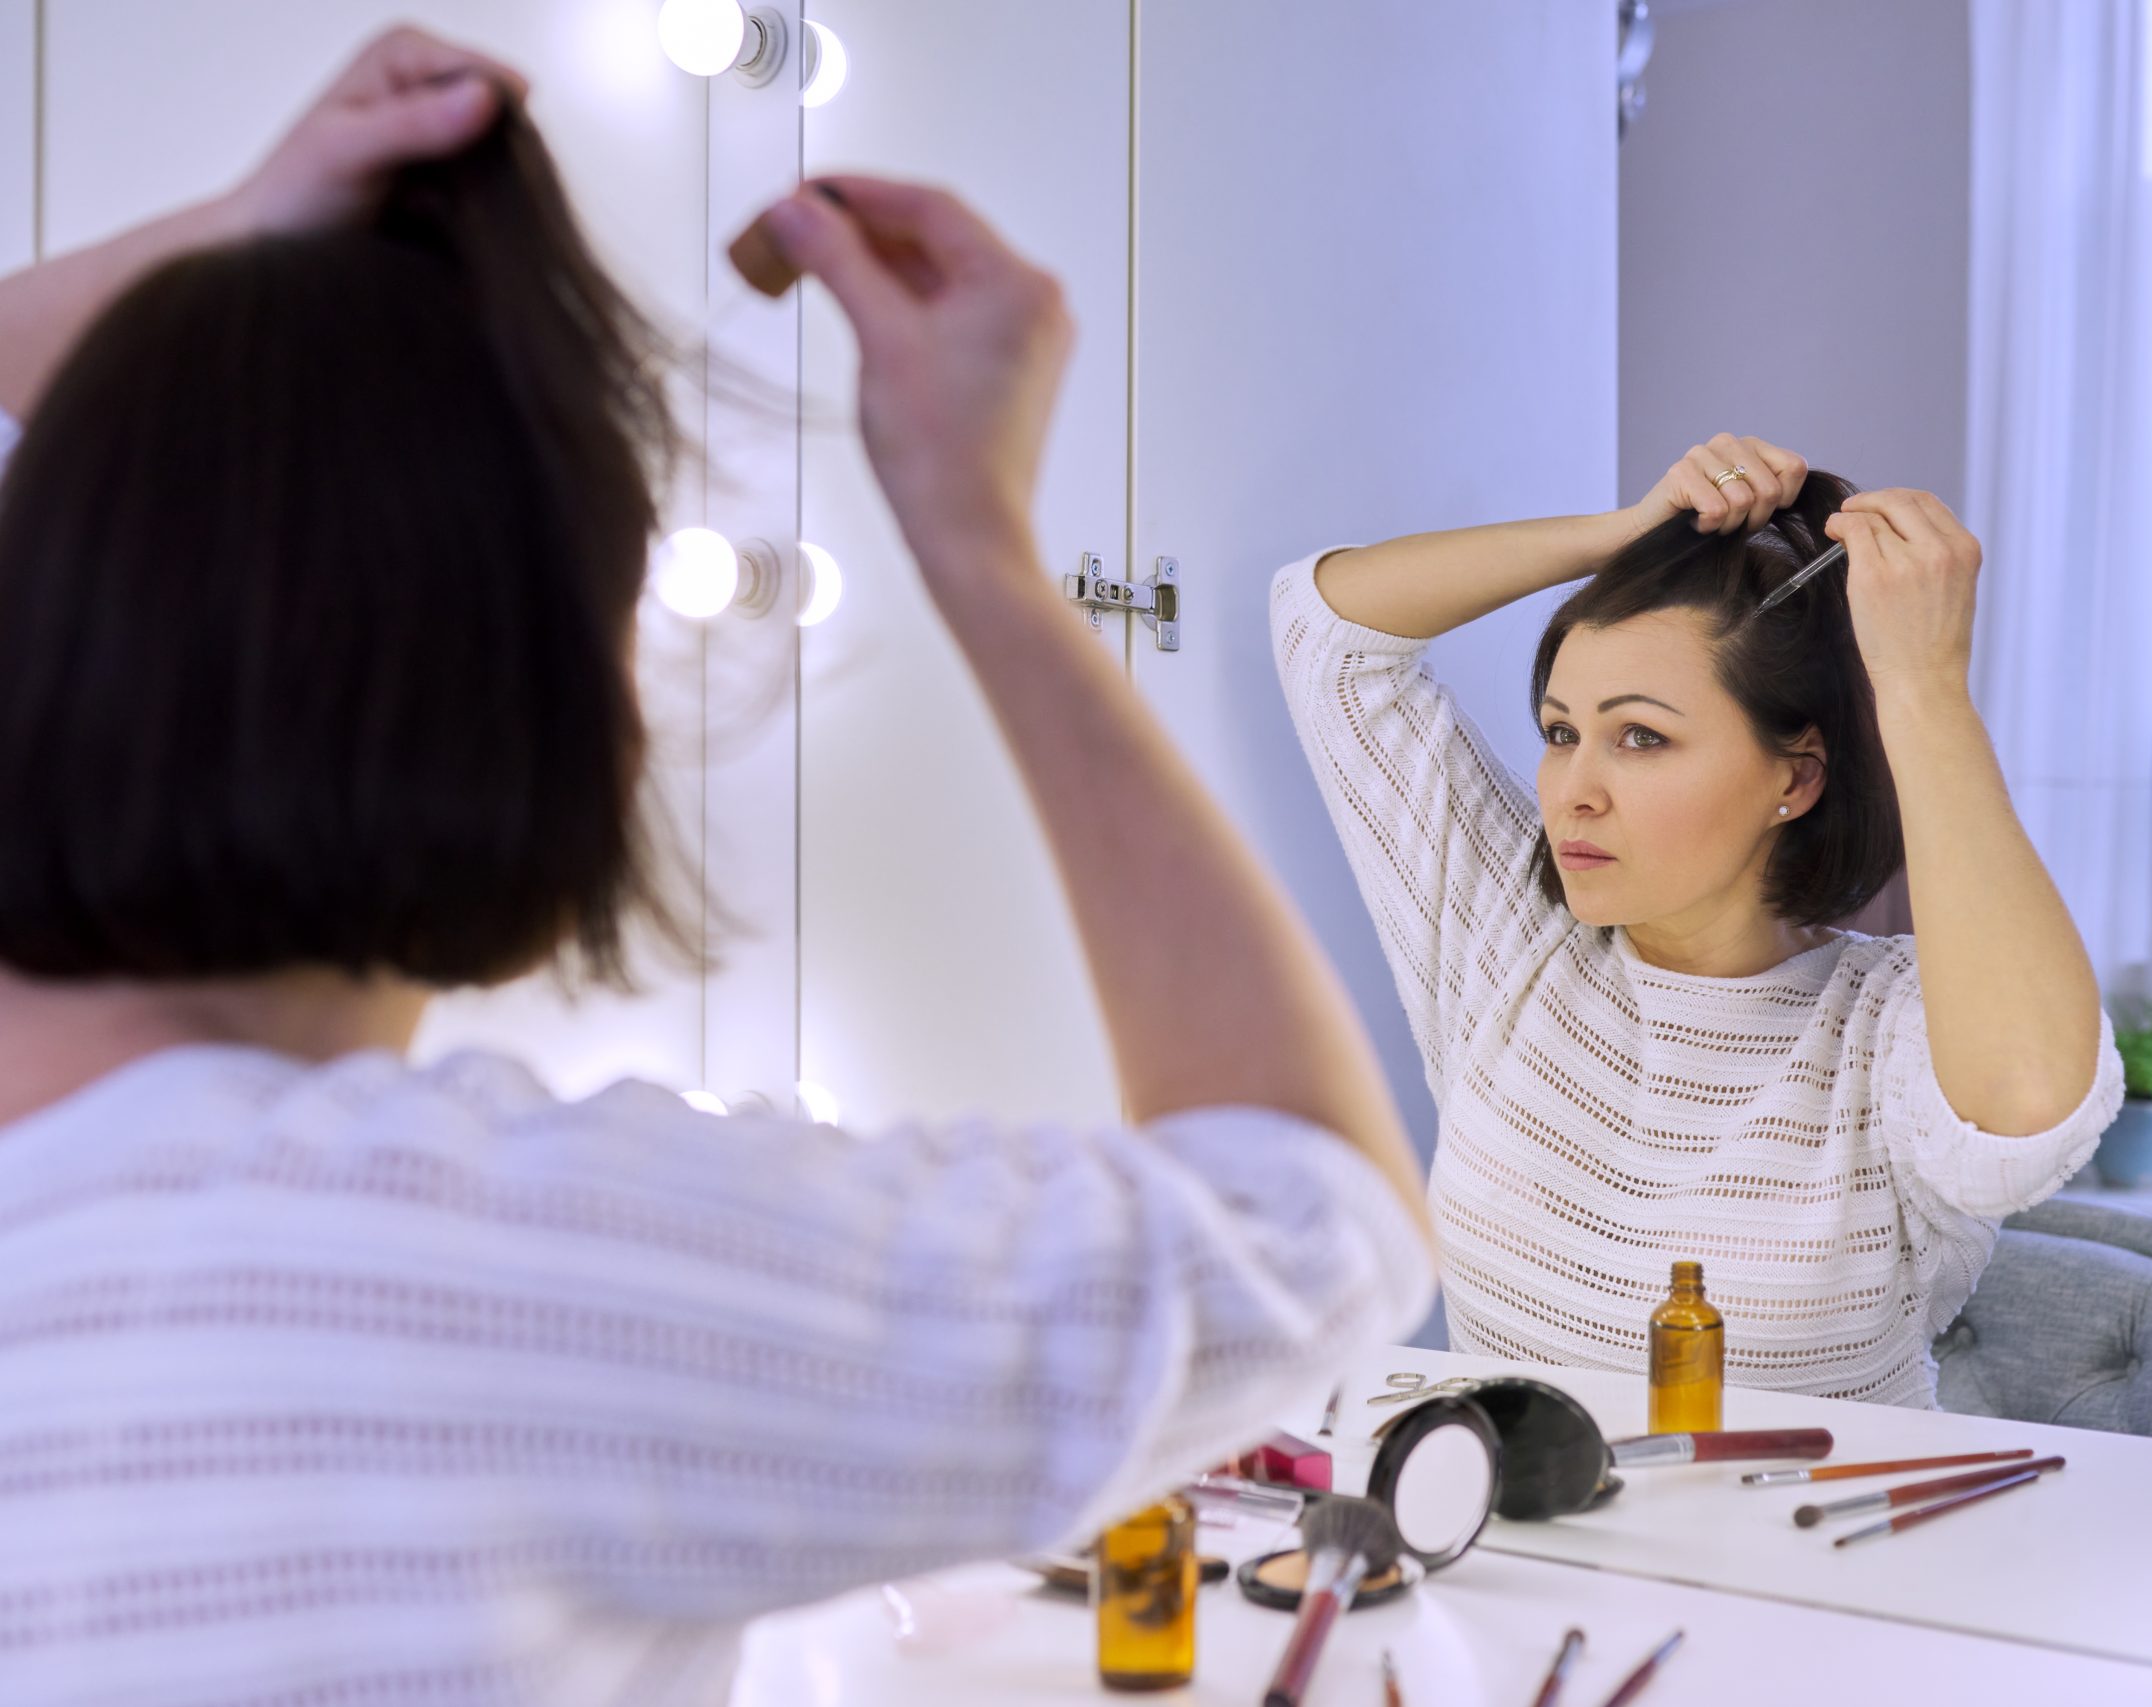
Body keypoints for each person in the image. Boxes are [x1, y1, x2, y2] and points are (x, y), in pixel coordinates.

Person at [0, 28, 1429, 1701]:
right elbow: (1308, 1218)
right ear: (569, 723)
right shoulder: (524, 1277)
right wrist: (981, 544)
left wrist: (223, 277)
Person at [1270, 436, 2122, 1407]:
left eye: (1641, 738)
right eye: (1560, 733)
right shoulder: (1507, 931)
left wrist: (1922, 686)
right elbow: (1328, 633)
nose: (1572, 794)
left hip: (1809, 1554)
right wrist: (1628, 535)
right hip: (1509, 1543)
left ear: (1794, 778)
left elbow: (2022, 1110)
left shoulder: (1888, 1027)